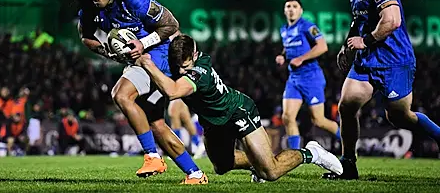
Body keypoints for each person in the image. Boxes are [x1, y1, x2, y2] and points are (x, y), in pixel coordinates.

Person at [135, 34, 343, 182]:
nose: (181, 70)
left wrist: (148, 64)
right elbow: (172, 32)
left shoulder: (200, 72)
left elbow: (172, 91)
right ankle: (255, 164)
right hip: (214, 123)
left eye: (185, 67)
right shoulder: (182, 58)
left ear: (195, 57)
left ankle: (312, 153)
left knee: (270, 172)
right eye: (177, 66)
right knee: (222, 167)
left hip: (238, 112)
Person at [76, 0, 207, 184]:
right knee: (155, 123)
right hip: (139, 60)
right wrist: (107, 52)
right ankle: (194, 173)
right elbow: (86, 36)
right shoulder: (89, 9)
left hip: (159, 55)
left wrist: (143, 42)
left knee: (120, 94)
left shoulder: (135, 0)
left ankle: (152, 156)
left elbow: (171, 25)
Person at [325, 0, 440, 180]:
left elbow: (393, 20)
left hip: (394, 62)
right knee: (346, 107)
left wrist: (365, 41)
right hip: (367, 62)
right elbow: (360, 21)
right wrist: (347, 45)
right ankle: (348, 165)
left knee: (399, 117)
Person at [275, 0, 341, 149]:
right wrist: (282, 56)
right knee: (287, 117)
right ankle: (295, 156)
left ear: (301, 11)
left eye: (295, 6)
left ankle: (347, 143)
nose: (291, 9)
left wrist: (301, 59)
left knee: (318, 120)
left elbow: (323, 46)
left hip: (311, 77)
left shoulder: (307, 26)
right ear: (285, 11)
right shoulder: (284, 30)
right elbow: (287, 47)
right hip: (294, 79)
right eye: (288, 6)